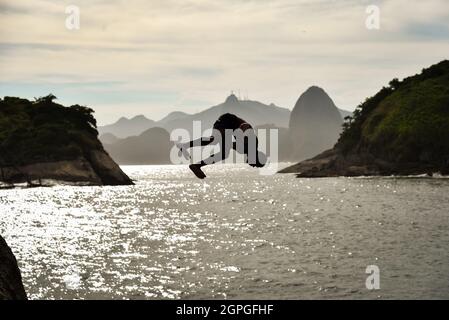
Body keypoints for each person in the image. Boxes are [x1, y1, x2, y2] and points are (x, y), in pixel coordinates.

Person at [177, 113, 267, 179]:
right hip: (228, 121)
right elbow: (246, 126)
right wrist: (240, 129)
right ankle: (188, 151)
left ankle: (196, 165)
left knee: (222, 152)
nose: (253, 166)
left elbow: (231, 144)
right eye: (255, 165)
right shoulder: (251, 144)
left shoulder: (245, 149)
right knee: (214, 140)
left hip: (229, 126)